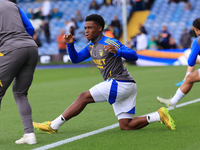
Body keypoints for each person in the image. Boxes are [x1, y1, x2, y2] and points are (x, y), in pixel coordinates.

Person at [33, 14, 175, 133]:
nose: (86, 31)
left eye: (90, 28)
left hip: (120, 82)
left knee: (83, 97)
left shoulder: (109, 41)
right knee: (126, 126)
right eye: (85, 28)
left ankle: (53, 126)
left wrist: (118, 51)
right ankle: (158, 115)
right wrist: (70, 44)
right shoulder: (90, 46)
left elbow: (134, 55)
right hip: (126, 86)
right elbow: (75, 59)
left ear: (100, 28)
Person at [0, 1, 38, 144]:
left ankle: (29, 135)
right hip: (31, 47)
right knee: (21, 93)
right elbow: (30, 27)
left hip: (11, 48)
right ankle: (29, 134)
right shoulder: (12, 5)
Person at [157, 18, 200, 108]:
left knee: (189, 78)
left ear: (196, 29)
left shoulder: (197, 41)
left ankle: (172, 102)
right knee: (190, 78)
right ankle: (173, 101)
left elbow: (191, 62)